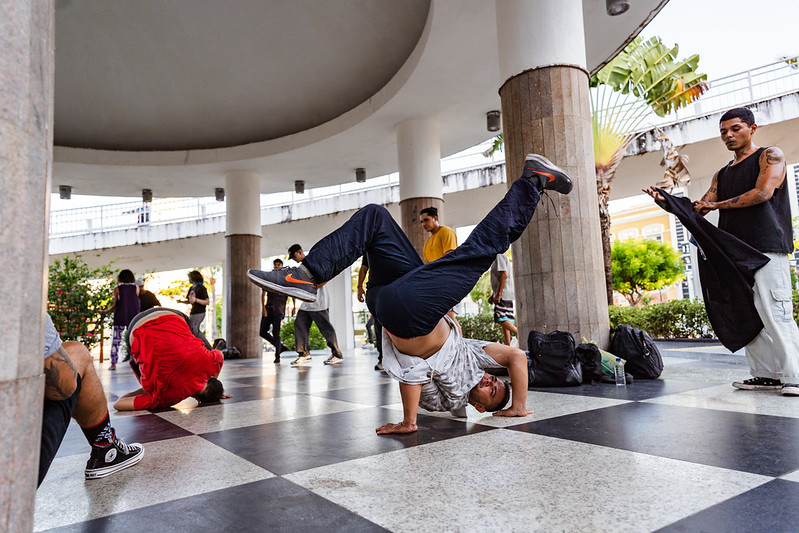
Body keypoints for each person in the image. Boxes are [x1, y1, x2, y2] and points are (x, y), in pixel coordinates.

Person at [247, 154, 573, 433]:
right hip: (396, 294)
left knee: (483, 246)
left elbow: (412, 373)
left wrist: (408, 421)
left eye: (493, 394)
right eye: (497, 382)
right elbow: (516, 357)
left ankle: (532, 181)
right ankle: (307, 275)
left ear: (478, 406)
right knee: (375, 217)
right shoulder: (477, 360)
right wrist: (518, 403)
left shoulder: (451, 399)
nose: (492, 383)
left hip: (411, 314)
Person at [645, 107, 799, 397]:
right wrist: (667, 202)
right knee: (747, 315)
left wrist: (717, 206)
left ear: (752, 129)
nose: (729, 135)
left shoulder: (770, 155)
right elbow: (699, 208)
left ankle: (795, 375)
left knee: (776, 313)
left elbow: (763, 192)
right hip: (734, 253)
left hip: (766, 248)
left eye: (736, 129)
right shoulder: (722, 174)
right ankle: (766, 374)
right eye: (723, 131)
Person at [40, 313, 143, 485]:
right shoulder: (17, 298)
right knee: (76, 353)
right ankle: (106, 448)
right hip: (13, 469)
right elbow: (64, 386)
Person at [113, 308, 228, 410]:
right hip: (135, 325)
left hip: (170, 314)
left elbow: (220, 356)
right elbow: (118, 404)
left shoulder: (211, 363)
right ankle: (147, 386)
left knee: (205, 348)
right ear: (198, 399)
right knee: (149, 380)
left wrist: (213, 384)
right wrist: (146, 392)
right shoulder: (164, 398)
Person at [282, 244, 344, 366]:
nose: (294, 259)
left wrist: (312, 287)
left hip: (319, 302)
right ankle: (304, 354)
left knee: (326, 329)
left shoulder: (314, 261)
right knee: (299, 324)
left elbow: (326, 277)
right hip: (307, 303)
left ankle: (337, 354)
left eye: (294, 256)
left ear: (300, 252)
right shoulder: (302, 267)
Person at [260, 258, 291, 363]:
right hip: (268, 308)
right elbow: (263, 293)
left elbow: (291, 293)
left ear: (282, 266)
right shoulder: (270, 278)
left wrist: (290, 308)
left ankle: (277, 355)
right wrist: (263, 308)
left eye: (279, 264)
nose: (277, 266)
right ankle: (280, 346)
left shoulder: (286, 279)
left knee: (276, 332)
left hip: (279, 310)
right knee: (262, 332)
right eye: (275, 265)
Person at [108, 269, 140, 370]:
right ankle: (134, 361)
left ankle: (113, 363)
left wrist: (105, 311)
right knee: (133, 339)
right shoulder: (136, 288)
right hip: (133, 317)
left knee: (116, 340)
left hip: (120, 315)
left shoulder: (117, 289)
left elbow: (115, 304)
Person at [358, 255, 384, 371]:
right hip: (376, 291)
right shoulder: (368, 250)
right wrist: (359, 287)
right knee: (378, 327)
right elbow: (364, 268)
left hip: (391, 288)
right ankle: (383, 359)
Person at [489, 253, 518, 346]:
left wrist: (498, 294)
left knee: (499, 318)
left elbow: (504, 275)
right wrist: (493, 294)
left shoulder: (499, 255)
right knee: (506, 321)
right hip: (506, 293)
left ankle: (520, 334)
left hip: (504, 293)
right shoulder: (499, 256)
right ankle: (508, 346)